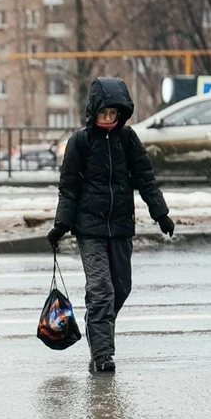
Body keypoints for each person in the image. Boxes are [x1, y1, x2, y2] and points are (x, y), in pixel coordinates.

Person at [47, 77, 175, 374]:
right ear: (94, 112)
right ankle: (102, 355)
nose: (108, 120)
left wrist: (161, 214)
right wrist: (61, 224)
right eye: (104, 113)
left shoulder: (127, 140)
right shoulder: (80, 142)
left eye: (113, 114)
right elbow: (68, 188)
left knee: (121, 287)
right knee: (102, 289)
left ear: (121, 114)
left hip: (120, 227)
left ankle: (96, 320)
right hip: (89, 229)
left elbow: (145, 178)